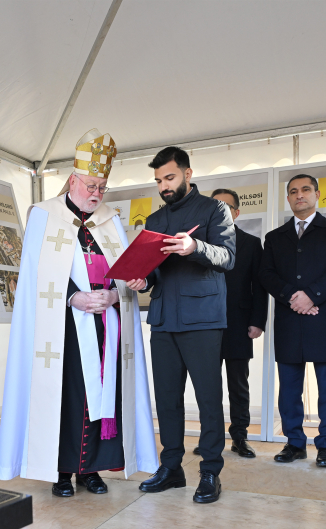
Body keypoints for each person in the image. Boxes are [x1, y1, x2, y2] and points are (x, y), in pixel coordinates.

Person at [0, 129, 157, 496]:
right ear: (73, 181)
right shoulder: (44, 215)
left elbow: (124, 270)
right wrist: (73, 298)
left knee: (103, 393)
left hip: (105, 325)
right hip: (61, 326)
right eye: (91, 186)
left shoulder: (110, 220)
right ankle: (62, 471)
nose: (97, 193)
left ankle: (91, 470)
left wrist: (115, 295)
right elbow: (35, 274)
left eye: (102, 187)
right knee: (67, 395)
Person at [127, 146, 236, 504]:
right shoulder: (154, 220)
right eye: (159, 180)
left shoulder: (214, 209)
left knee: (208, 399)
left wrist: (195, 247)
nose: (164, 186)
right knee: (167, 400)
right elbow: (153, 270)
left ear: (188, 174)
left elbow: (228, 257)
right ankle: (171, 468)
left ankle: (210, 472)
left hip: (202, 319)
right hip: (163, 320)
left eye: (170, 178)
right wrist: (143, 280)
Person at [259, 174, 326, 468]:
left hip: (325, 320)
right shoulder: (275, 237)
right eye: (293, 191)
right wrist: (293, 297)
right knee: (289, 390)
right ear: (288, 198)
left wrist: (311, 296)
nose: (300, 195)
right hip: (289, 320)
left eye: (306, 189)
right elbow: (266, 274)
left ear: (317, 194)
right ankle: (294, 443)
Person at [191, 189, 267, 459]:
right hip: (204, 324)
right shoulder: (197, 242)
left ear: (236, 213)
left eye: (225, 207)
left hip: (239, 323)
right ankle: (210, 438)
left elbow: (259, 286)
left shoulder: (251, 243)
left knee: (238, 384)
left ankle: (239, 437)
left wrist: (258, 321)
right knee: (207, 386)